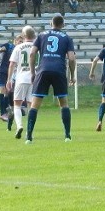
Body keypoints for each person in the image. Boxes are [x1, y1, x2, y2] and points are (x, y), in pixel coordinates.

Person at [25, 13, 77, 143]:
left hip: (43, 70)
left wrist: (32, 72)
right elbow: (71, 58)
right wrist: (72, 75)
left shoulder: (41, 35)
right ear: (63, 25)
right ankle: (67, 135)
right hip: (59, 71)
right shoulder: (67, 38)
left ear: (50, 23)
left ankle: (29, 137)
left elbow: (32, 54)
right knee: (63, 103)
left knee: (35, 104)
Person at [7, 27, 36, 139]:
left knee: (17, 105)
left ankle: (19, 126)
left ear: (23, 36)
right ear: (34, 36)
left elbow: (12, 64)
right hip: (34, 79)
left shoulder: (18, 47)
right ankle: (30, 131)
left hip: (21, 78)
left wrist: (9, 80)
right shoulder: (37, 47)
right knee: (31, 106)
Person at [0, 37, 17, 123]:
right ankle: (2, 113)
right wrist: (1, 49)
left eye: (22, 41)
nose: (20, 42)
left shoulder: (19, 50)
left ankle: (6, 111)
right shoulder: (9, 46)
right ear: (15, 41)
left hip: (9, 73)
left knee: (7, 92)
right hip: (1, 71)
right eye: (19, 41)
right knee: (2, 91)